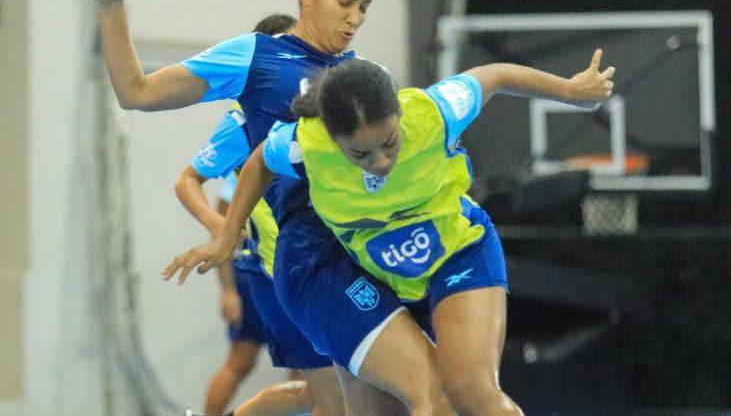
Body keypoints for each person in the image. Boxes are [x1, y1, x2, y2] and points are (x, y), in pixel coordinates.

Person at [163, 52, 615, 415]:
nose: (380, 161)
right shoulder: (307, 143)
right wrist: (228, 234)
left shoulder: (434, 111)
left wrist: (572, 91)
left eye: (389, 143)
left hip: (459, 251)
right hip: (379, 273)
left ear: (399, 113)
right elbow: (260, 161)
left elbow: (495, 74)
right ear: (333, 137)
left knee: (471, 393)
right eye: (360, 154)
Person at [77, 0, 400, 415]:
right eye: (345, 2)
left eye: (365, 7)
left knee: (356, 397)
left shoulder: (364, 77)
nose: (355, 18)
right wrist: (111, 6)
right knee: (346, 400)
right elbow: (136, 92)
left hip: (363, 254)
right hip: (301, 262)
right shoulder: (257, 56)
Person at [176, 15, 311, 415]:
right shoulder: (244, 126)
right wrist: (224, 248)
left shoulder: (310, 120)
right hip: (269, 272)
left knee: (321, 385)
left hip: (306, 266)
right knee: (259, 365)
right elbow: (193, 184)